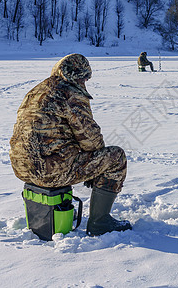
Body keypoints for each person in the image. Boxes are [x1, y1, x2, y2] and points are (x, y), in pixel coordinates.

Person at [9, 53, 132, 236]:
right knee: (115, 157)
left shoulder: (36, 91)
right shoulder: (70, 92)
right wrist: (96, 167)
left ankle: (59, 210)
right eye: (85, 77)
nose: (85, 82)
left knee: (59, 152)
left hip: (22, 167)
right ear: (78, 76)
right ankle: (100, 222)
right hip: (50, 171)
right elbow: (90, 138)